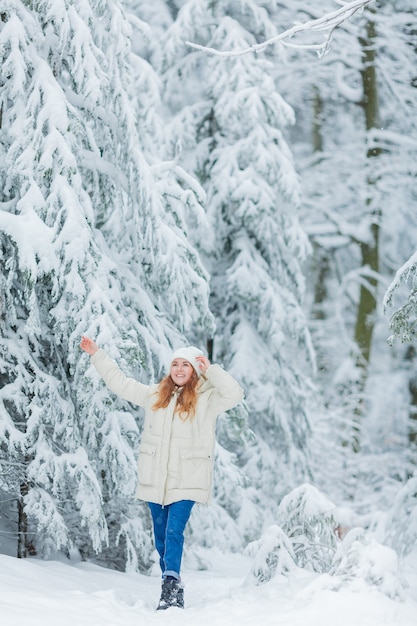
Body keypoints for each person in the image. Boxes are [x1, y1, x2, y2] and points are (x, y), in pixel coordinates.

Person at [79, 335, 244, 610]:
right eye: (175, 364)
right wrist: (97, 354)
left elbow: (235, 394)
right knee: (161, 536)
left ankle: (170, 586)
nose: (179, 369)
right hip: (155, 478)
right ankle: (172, 582)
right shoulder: (156, 395)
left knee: (174, 531)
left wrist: (211, 370)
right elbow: (120, 383)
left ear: (194, 370)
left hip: (187, 479)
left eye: (186, 365)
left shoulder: (207, 400)